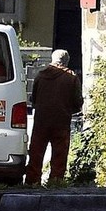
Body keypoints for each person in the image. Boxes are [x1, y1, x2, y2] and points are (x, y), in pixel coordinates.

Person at [26, 49, 82, 185]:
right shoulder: (72, 77)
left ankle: (32, 182)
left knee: (36, 153)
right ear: (66, 62)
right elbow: (78, 101)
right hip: (61, 121)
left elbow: (34, 98)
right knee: (59, 155)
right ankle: (55, 182)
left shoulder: (40, 75)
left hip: (41, 121)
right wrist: (69, 109)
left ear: (52, 59)